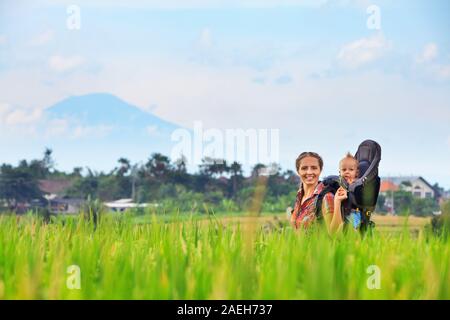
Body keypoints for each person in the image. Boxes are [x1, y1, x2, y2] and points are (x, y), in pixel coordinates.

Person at [290, 152, 344, 234]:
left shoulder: (326, 197)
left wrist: (337, 202)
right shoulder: (300, 195)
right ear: (298, 171)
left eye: (314, 168)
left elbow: (335, 234)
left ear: (320, 170)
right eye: (304, 168)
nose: (309, 172)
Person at [335, 152, 362, 230]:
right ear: (340, 172)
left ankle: (354, 232)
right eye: (344, 170)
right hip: (342, 210)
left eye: (351, 169)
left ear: (356, 173)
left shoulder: (357, 183)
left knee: (352, 228)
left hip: (354, 211)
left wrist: (351, 186)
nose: (347, 172)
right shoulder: (340, 182)